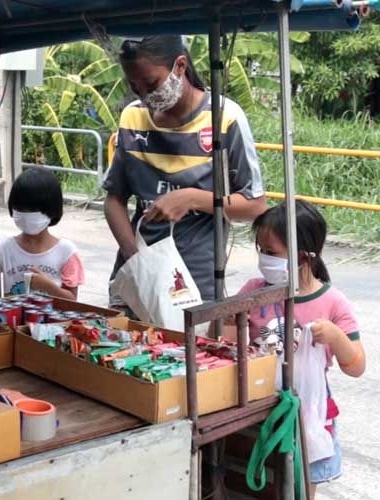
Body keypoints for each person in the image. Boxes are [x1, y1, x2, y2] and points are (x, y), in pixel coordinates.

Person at [103, 35, 267, 304]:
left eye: (151, 84)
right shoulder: (132, 117)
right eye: (134, 87)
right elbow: (114, 200)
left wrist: (191, 198)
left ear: (180, 66)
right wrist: (136, 260)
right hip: (136, 271)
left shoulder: (224, 117)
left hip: (194, 280)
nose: (144, 95)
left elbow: (255, 206)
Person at [238, 200, 365, 493]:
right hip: (259, 406)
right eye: (260, 250)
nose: (264, 259)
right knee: (258, 484)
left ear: (304, 255)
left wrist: (336, 337)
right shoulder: (253, 291)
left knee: (302, 488)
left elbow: (357, 367)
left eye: (272, 252)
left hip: (309, 410)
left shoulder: (332, 302)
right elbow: (227, 342)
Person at [0, 168, 85, 299]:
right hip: (13, 313)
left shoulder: (66, 252)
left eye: (33, 209)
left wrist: (47, 286)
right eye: (20, 208)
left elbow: (72, 299)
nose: (26, 214)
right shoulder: (4, 248)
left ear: (52, 209)